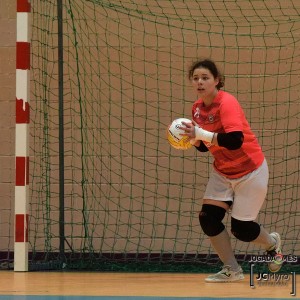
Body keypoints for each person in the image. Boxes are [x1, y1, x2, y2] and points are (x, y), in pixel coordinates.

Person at [180, 58, 283, 282]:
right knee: (208, 218)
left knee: (242, 230)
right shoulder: (196, 109)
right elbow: (205, 148)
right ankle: (232, 270)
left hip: (250, 171)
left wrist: (201, 135)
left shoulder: (227, 103)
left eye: (205, 78)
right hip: (223, 172)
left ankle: (272, 244)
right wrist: (190, 140)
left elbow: (235, 140)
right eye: (196, 78)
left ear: (217, 81)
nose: (200, 82)